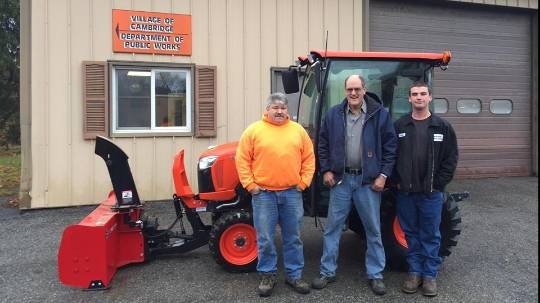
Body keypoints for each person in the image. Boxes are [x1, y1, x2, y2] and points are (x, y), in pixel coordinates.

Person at [312, 75, 397, 296]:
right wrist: (327, 169)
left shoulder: (379, 115)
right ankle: (327, 271)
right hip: (341, 180)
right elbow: (323, 144)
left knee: (373, 230)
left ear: (364, 89)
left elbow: (390, 147)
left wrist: (383, 175)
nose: (353, 93)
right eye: (350, 89)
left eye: (357, 89)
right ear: (345, 91)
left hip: (367, 182)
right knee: (332, 228)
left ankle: (376, 274)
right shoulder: (333, 115)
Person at [235, 92, 316, 297]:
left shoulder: (298, 131)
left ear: (287, 110)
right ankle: (267, 275)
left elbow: (309, 158)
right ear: (267, 110)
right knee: (265, 238)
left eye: (283, 108)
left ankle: (294, 275)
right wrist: (250, 185)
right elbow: (242, 159)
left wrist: (303, 183)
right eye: (275, 108)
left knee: (293, 237)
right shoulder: (254, 131)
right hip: (264, 195)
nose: (279, 111)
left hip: (291, 194)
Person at [392, 81, 458, 297]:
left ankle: (429, 276)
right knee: (411, 234)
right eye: (414, 94)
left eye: (422, 93)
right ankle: (414, 273)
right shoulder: (400, 126)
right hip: (406, 193)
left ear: (430, 97)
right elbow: (390, 155)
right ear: (409, 99)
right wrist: (396, 180)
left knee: (430, 234)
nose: (419, 97)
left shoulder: (442, 127)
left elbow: (450, 158)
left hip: (431, 193)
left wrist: (439, 183)